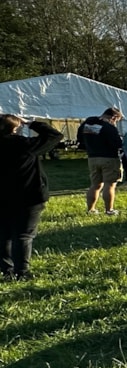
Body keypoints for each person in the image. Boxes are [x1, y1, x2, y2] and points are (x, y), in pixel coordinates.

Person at [0, 114, 62, 280]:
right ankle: (22, 271)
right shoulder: (23, 145)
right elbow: (55, 136)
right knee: (23, 234)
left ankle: (6, 269)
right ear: (16, 128)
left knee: (4, 233)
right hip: (28, 194)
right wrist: (32, 123)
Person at [78, 106, 124, 215]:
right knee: (110, 184)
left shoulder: (86, 124)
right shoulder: (108, 127)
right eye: (116, 120)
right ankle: (109, 210)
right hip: (109, 158)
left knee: (95, 185)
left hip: (92, 157)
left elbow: (80, 139)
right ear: (114, 117)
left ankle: (91, 209)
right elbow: (117, 143)